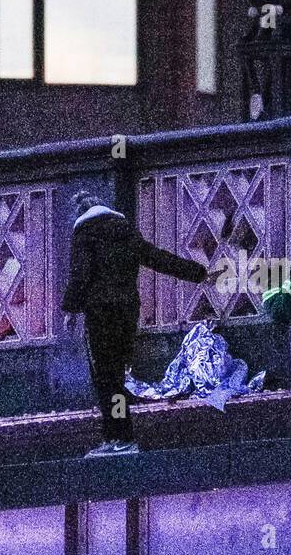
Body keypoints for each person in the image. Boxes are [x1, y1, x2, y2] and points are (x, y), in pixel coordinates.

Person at [62, 190, 214, 457]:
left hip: (100, 314)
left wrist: (71, 309)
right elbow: (157, 258)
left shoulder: (84, 234)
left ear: (78, 214)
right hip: (127, 313)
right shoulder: (125, 231)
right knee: (117, 377)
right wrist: (199, 273)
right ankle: (121, 437)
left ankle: (118, 437)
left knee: (104, 379)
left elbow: (80, 274)